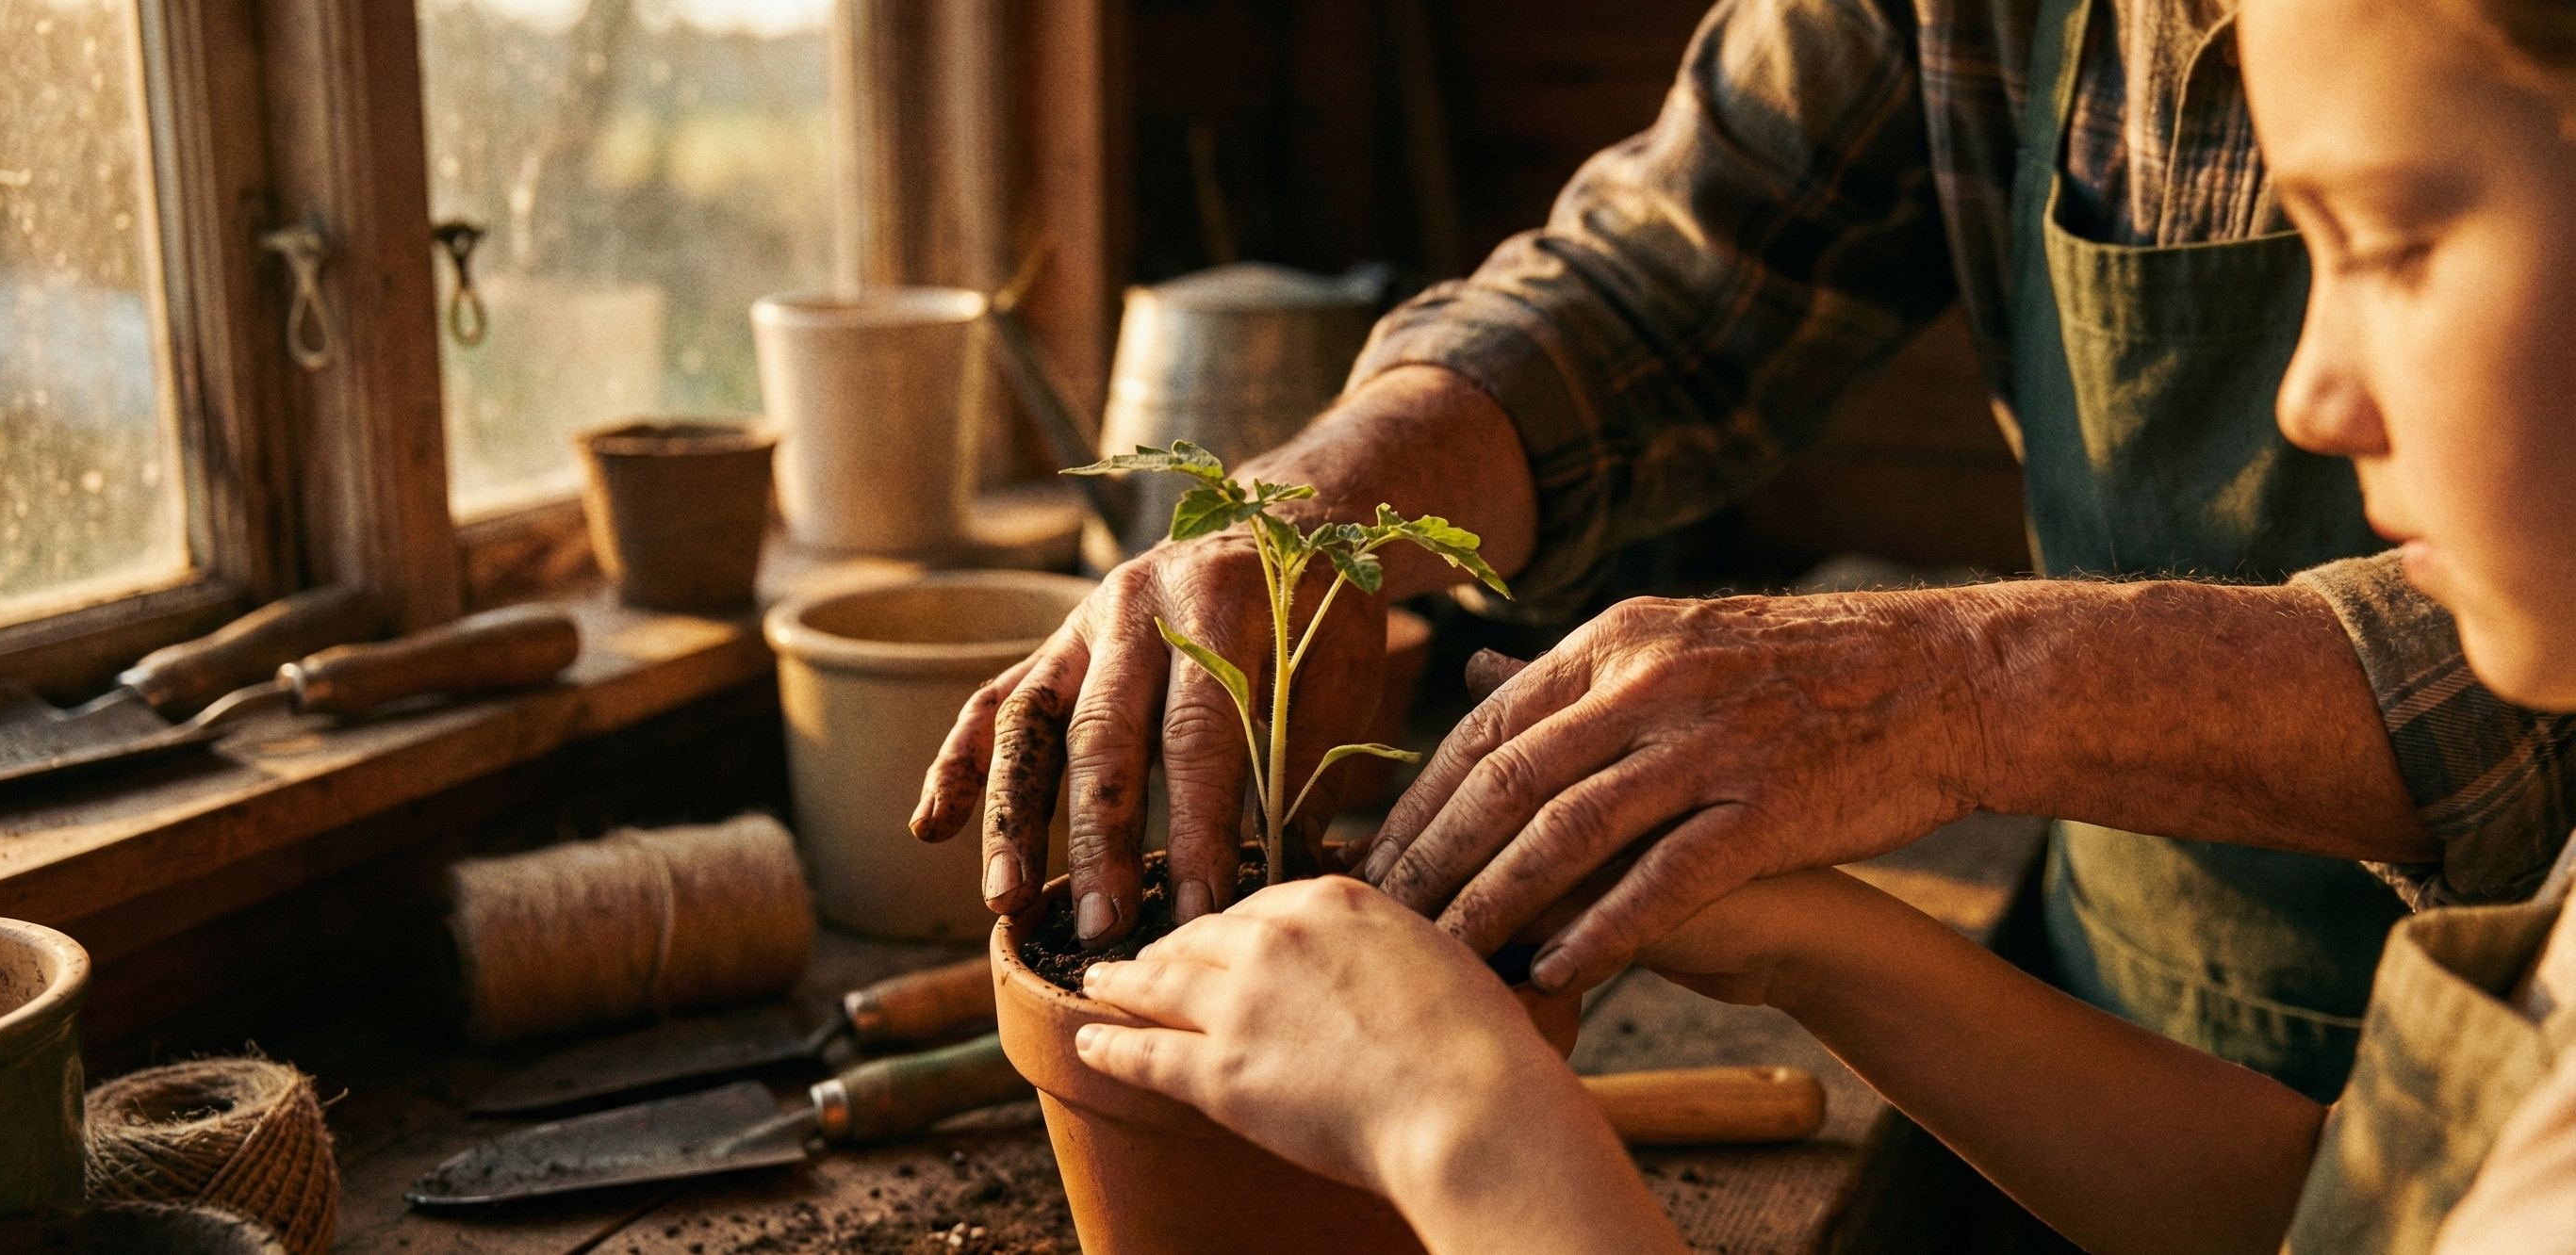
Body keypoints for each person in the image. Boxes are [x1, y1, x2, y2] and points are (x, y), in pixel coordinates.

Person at [1066, 2, 2576, 1249]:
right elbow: (2328, 1205)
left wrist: (1459, 1129)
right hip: (2200, 1094)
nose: (2312, 399)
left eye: (2390, 242)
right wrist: (1815, 947)